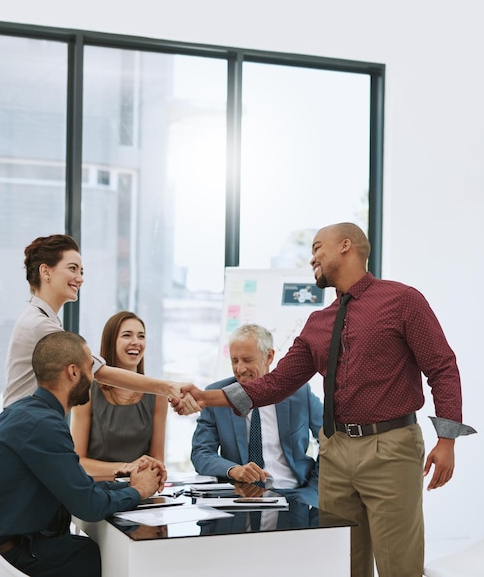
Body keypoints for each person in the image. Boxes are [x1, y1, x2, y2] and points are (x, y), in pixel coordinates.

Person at [173, 222, 476, 577]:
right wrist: (205, 397)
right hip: (334, 451)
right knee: (341, 562)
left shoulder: (402, 300)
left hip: (390, 447)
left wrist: (447, 438)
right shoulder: (317, 323)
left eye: (318, 248)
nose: (312, 258)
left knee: (399, 567)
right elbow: (275, 384)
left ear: (346, 246)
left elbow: (442, 366)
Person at [0, 330, 165, 577]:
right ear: (73, 372)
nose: (94, 380)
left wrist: (131, 485)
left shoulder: (24, 412)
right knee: (89, 554)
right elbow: (88, 506)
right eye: (91, 369)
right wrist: (138, 491)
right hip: (2, 557)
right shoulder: (44, 425)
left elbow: (78, 486)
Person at [3, 234, 199, 410]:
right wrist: (170, 387)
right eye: (73, 269)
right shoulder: (40, 325)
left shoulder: (43, 320)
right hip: (21, 430)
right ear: (46, 272)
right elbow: (100, 372)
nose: (80, 279)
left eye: (82, 272)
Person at [191, 323, 322, 502]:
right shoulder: (217, 395)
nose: (240, 369)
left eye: (247, 360)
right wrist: (234, 470)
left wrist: (312, 491)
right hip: (241, 496)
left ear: (269, 357)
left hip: (295, 494)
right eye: (234, 360)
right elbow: (201, 453)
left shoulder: (300, 393)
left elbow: (331, 441)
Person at [71, 311, 168, 477]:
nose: (136, 342)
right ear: (111, 342)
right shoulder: (87, 390)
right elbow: (78, 460)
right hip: (95, 491)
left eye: (141, 336)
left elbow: (157, 460)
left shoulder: (158, 395)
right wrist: (126, 467)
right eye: (127, 335)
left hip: (140, 490)